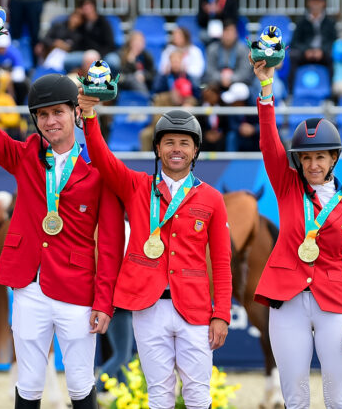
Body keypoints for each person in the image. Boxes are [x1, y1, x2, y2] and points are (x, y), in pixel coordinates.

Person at [0, 32, 125, 408]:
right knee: (28, 385)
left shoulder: (100, 168)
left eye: (58, 112)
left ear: (75, 113)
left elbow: (112, 244)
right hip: (28, 285)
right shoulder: (24, 155)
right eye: (43, 115)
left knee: (81, 385)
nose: (50, 121)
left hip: (78, 290)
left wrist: (104, 301)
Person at [79, 93, 232, 408]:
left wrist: (222, 314)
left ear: (195, 151)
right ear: (158, 148)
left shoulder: (213, 199)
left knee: (198, 394)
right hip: (147, 307)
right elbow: (103, 159)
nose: (177, 149)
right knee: (159, 395)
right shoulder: (135, 186)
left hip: (196, 310)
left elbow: (221, 262)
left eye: (184, 143)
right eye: (170, 142)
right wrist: (90, 115)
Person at [251, 57, 342, 408]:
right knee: (295, 395)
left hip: (334, 301)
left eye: (320, 157)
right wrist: (266, 89)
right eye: (305, 158)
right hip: (286, 299)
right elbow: (269, 143)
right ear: (298, 162)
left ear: (333, 158)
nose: (313, 165)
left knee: (338, 396)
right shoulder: (287, 187)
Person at [289, 0, 337, 89]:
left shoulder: (330, 22)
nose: (316, 5)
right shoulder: (301, 21)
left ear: (324, 3)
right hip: (305, 53)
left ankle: (331, 93)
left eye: (319, 1)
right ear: (309, 3)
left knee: (333, 56)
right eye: (313, 1)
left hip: (323, 53)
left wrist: (322, 51)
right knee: (293, 56)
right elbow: (295, 41)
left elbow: (333, 41)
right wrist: (306, 50)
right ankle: (292, 91)